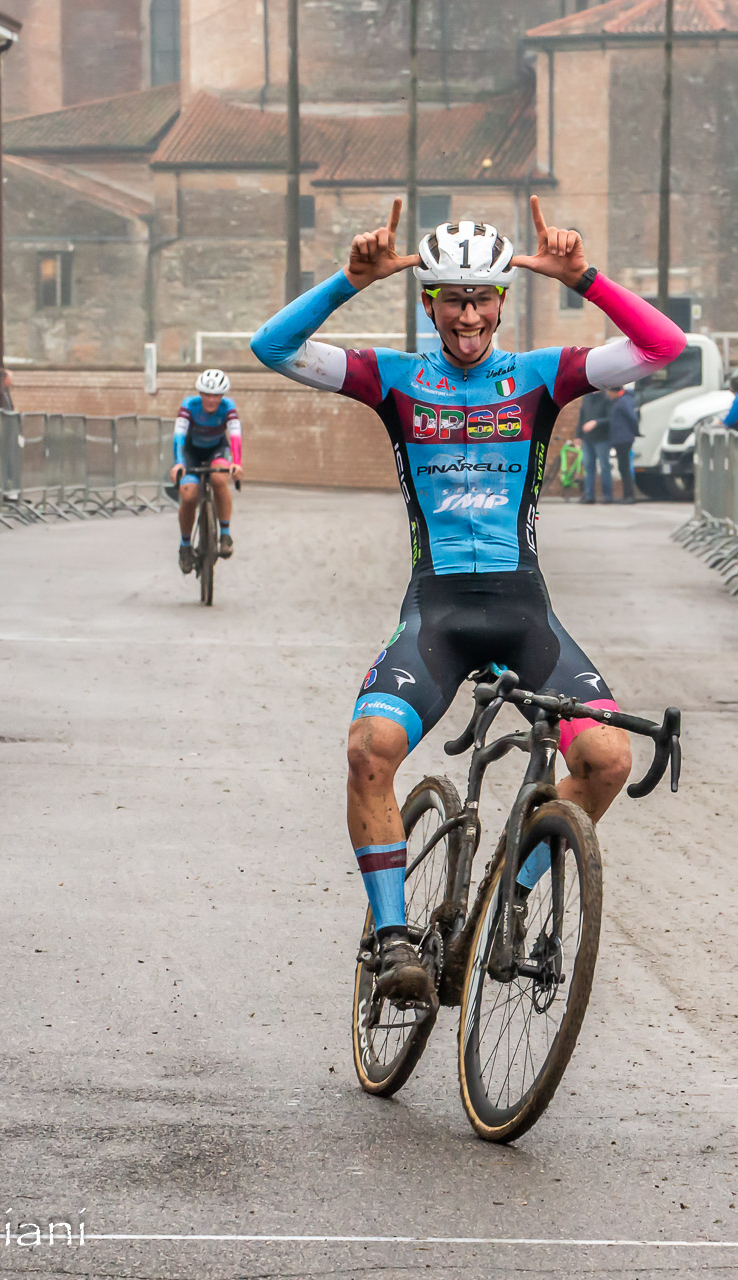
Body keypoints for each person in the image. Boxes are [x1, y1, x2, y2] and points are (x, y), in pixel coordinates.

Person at [249, 196, 684, 1003]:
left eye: (482, 298)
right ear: (430, 303)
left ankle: (505, 898)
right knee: (366, 750)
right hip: (437, 616)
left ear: (502, 303)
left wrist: (584, 277)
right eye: (452, 297)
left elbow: (665, 345)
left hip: (524, 613)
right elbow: (270, 347)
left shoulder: (540, 377)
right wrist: (349, 280)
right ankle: (390, 941)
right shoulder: (394, 380)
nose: (469, 314)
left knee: (608, 758)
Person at [169, 368, 243, 570]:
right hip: (191, 452)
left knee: (219, 479)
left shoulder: (228, 406)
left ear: (223, 396)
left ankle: (225, 534)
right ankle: (185, 547)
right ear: (200, 394)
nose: (212, 400)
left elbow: (235, 434)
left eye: (217, 395)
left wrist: (236, 462)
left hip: (217, 450)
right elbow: (179, 436)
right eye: (207, 395)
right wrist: (178, 463)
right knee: (189, 495)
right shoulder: (189, 405)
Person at [605, 382, 640, 502]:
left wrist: (635, 432)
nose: (608, 395)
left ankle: (630, 496)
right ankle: (627, 495)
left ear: (614, 392)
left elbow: (632, 417)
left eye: (609, 393)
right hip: (620, 438)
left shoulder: (623, 401)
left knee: (624, 467)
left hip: (624, 439)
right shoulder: (619, 401)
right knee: (623, 467)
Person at [576, 388, 610, 503]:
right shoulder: (586, 398)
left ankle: (607, 496)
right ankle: (589, 496)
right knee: (589, 467)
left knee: (604, 467)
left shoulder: (607, 398)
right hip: (587, 439)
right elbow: (581, 417)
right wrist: (578, 436)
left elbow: (610, 418)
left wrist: (596, 422)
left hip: (602, 439)